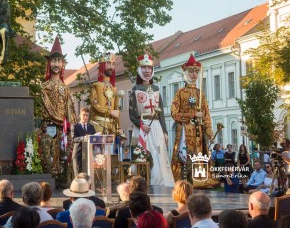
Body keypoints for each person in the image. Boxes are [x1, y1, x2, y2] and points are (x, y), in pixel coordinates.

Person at [171, 53, 218, 188]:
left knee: (199, 155)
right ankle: (183, 180)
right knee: (185, 155)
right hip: (185, 130)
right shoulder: (180, 92)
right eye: (191, 71)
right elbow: (174, 113)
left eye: (196, 72)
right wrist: (193, 114)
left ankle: (199, 179)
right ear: (185, 73)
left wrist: (209, 132)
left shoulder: (200, 93)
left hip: (199, 131)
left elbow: (206, 114)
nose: (194, 74)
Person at [129, 53, 174, 186]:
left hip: (156, 127)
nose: (147, 71)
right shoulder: (135, 90)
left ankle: (161, 182)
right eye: (144, 68)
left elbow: (161, 113)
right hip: (142, 128)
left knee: (159, 153)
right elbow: (132, 114)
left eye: (149, 68)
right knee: (143, 152)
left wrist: (165, 131)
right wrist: (141, 125)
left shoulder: (156, 89)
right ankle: (142, 181)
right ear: (139, 70)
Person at [41, 36, 77, 179]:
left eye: (59, 61)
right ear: (49, 64)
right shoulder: (44, 86)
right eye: (54, 61)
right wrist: (59, 119)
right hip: (49, 127)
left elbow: (70, 108)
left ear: (63, 64)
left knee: (63, 155)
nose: (56, 64)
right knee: (47, 155)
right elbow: (47, 106)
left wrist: (71, 124)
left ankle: (62, 181)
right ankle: (47, 182)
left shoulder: (65, 88)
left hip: (63, 129)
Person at [89, 52, 121, 135]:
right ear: (102, 65)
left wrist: (119, 127)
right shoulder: (95, 86)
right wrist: (110, 112)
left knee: (111, 148)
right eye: (108, 63)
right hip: (98, 125)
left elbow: (116, 109)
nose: (111, 67)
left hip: (112, 127)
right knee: (98, 148)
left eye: (113, 64)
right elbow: (94, 104)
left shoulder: (113, 88)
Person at [72, 108, 96, 177]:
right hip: (78, 155)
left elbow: (94, 138)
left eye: (87, 115)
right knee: (79, 176)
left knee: (87, 176)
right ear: (80, 115)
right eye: (83, 115)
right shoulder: (75, 126)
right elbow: (74, 139)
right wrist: (84, 138)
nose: (85, 117)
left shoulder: (91, 127)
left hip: (88, 155)